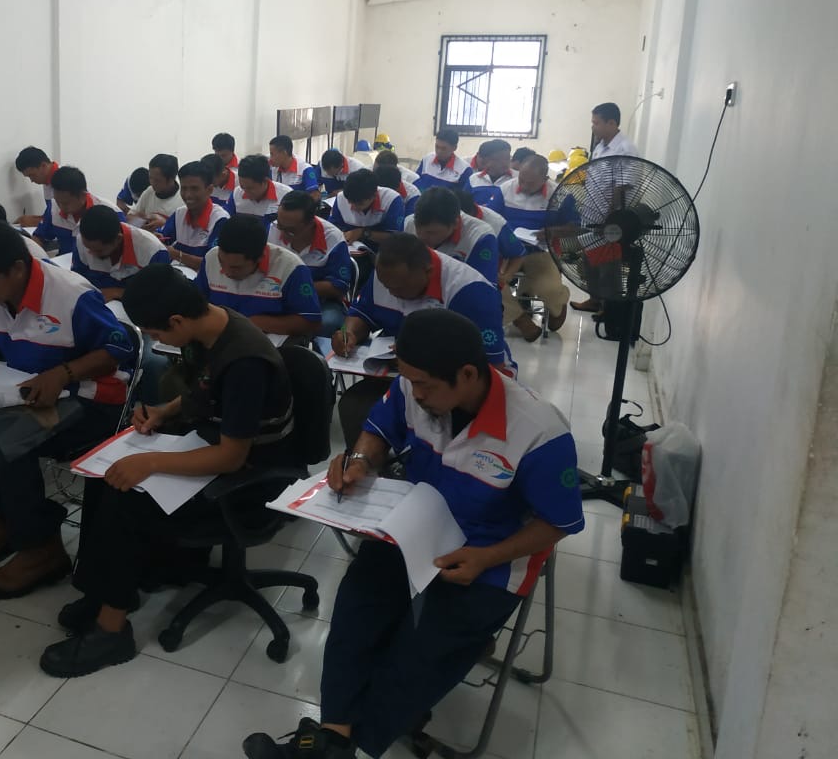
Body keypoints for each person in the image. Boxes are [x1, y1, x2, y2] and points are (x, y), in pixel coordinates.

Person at [242, 309, 583, 759]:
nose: (415, 394)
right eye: (410, 381)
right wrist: (360, 461)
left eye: (425, 386)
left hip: (489, 557)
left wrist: (486, 558)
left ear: (468, 374)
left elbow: (558, 523)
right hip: (414, 528)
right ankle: (333, 738)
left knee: (424, 647)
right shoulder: (412, 387)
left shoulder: (539, 432)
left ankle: (355, 746)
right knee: (357, 607)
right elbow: (378, 430)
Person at [38, 263, 296, 677]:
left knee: (126, 500)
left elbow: (231, 457)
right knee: (103, 480)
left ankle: (111, 632)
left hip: (249, 478)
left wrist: (152, 461)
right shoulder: (212, 328)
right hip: (212, 444)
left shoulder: (245, 359)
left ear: (177, 320)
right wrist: (164, 412)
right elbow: (204, 391)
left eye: (156, 334)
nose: (157, 341)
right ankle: (105, 592)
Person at [0, 221, 134, 598]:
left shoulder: (71, 295)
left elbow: (119, 349)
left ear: (17, 268)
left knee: (6, 445)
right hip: (25, 394)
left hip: (90, 398)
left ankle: (41, 548)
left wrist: (63, 373)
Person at [332, 233, 508, 449]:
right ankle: (374, 465)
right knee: (353, 405)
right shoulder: (387, 275)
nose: (392, 293)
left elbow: (489, 368)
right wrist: (348, 332)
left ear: (428, 271)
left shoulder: (470, 291)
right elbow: (362, 312)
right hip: (403, 378)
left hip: (454, 386)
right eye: (387, 286)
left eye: (399, 287)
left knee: (431, 428)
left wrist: (418, 360)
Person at [195, 213, 322, 340]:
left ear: (260, 257)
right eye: (221, 262)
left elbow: (310, 322)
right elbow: (197, 303)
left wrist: (255, 323)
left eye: (236, 268)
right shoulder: (211, 257)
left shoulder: (291, 268)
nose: (226, 272)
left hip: (269, 343)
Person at [572, 102, 640, 314]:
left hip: (610, 218)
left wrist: (610, 217)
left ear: (612, 123)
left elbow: (623, 185)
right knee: (590, 259)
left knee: (608, 265)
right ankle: (594, 299)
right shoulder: (600, 147)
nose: (593, 127)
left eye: (596, 123)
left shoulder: (625, 149)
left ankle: (610, 309)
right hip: (592, 214)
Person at [498, 155, 572, 341]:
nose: (523, 185)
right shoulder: (505, 189)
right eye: (521, 179)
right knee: (491, 283)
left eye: (530, 183)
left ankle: (558, 302)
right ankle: (521, 319)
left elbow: (576, 227)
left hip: (539, 252)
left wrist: (552, 232)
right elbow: (490, 217)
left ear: (545, 178)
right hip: (507, 252)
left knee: (548, 289)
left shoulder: (559, 195)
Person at [269, 191, 354, 336]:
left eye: (290, 230)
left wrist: (294, 288)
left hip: (321, 301)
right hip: (279, 297)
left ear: (310, 223)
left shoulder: (333, 239)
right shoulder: (273, 229)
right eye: (280, 225)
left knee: (327, 323)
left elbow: (338, 288)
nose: (282, 234)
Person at [72, 204, 170, 299]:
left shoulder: (153, 251)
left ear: (118, 239)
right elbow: (78, 279)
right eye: (88, 248)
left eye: (99, 251)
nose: (91, 254)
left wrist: (118, 292)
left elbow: (158, 296)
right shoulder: (82, 241)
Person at [410, 187, 500, 286]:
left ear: (455, 224)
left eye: (431, 233)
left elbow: (482, 288)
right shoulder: (409, 223)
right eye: (417, 229)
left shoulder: (480, 238)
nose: (421, 237)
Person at [161, 159, 230, 270]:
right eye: (184, 188)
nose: (188, 195)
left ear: (209, 190)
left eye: (194, 189)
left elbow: (213, 264)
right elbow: (164, 240)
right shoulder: (179, 213)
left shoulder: (220, 220)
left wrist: (176, 255)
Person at [34, 165, 119, 255]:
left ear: (83, 196)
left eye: (65, 203)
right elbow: (38, 237)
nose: (60, 207)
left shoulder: (111, 213)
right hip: (62, 261)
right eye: (57, 201)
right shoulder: (53, 208)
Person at [329, 169, 404, 250]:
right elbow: (332, 228)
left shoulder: (392, 200)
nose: (353, 208)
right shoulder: (341, 197)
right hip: (351, 248)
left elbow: (395, 238)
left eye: (359, 204)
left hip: (381, 251)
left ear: (374, 196)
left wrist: (363, 233)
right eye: (350, 202)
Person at [130, 153, 184, 229]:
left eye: (157, 180)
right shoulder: (149, 192)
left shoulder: (183, 199)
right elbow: (130, 218)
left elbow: (186, 230)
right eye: (150, 178)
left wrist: (165, 224)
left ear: (171, 179)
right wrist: (145, 219)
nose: (152, 183)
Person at [233, 154, 284, 224]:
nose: (245, 193)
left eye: (250, 188)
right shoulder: (236, 193)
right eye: (242, 187)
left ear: (265, 181)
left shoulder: (284, 196)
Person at [14, 146, 58, 228]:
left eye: (32, 175)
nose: (32, 180)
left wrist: (35, 221)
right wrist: (34, 219)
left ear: (43, 166)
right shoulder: (46, 181)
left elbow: (68, 219)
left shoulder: (65, 180)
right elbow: (52, 215)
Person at [467, 139, 512, 210]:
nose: (505, 162)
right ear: (487, 160)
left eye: (507, 158)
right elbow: (464, 203)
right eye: (499, 159)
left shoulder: (516, 179)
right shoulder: (473, 179)